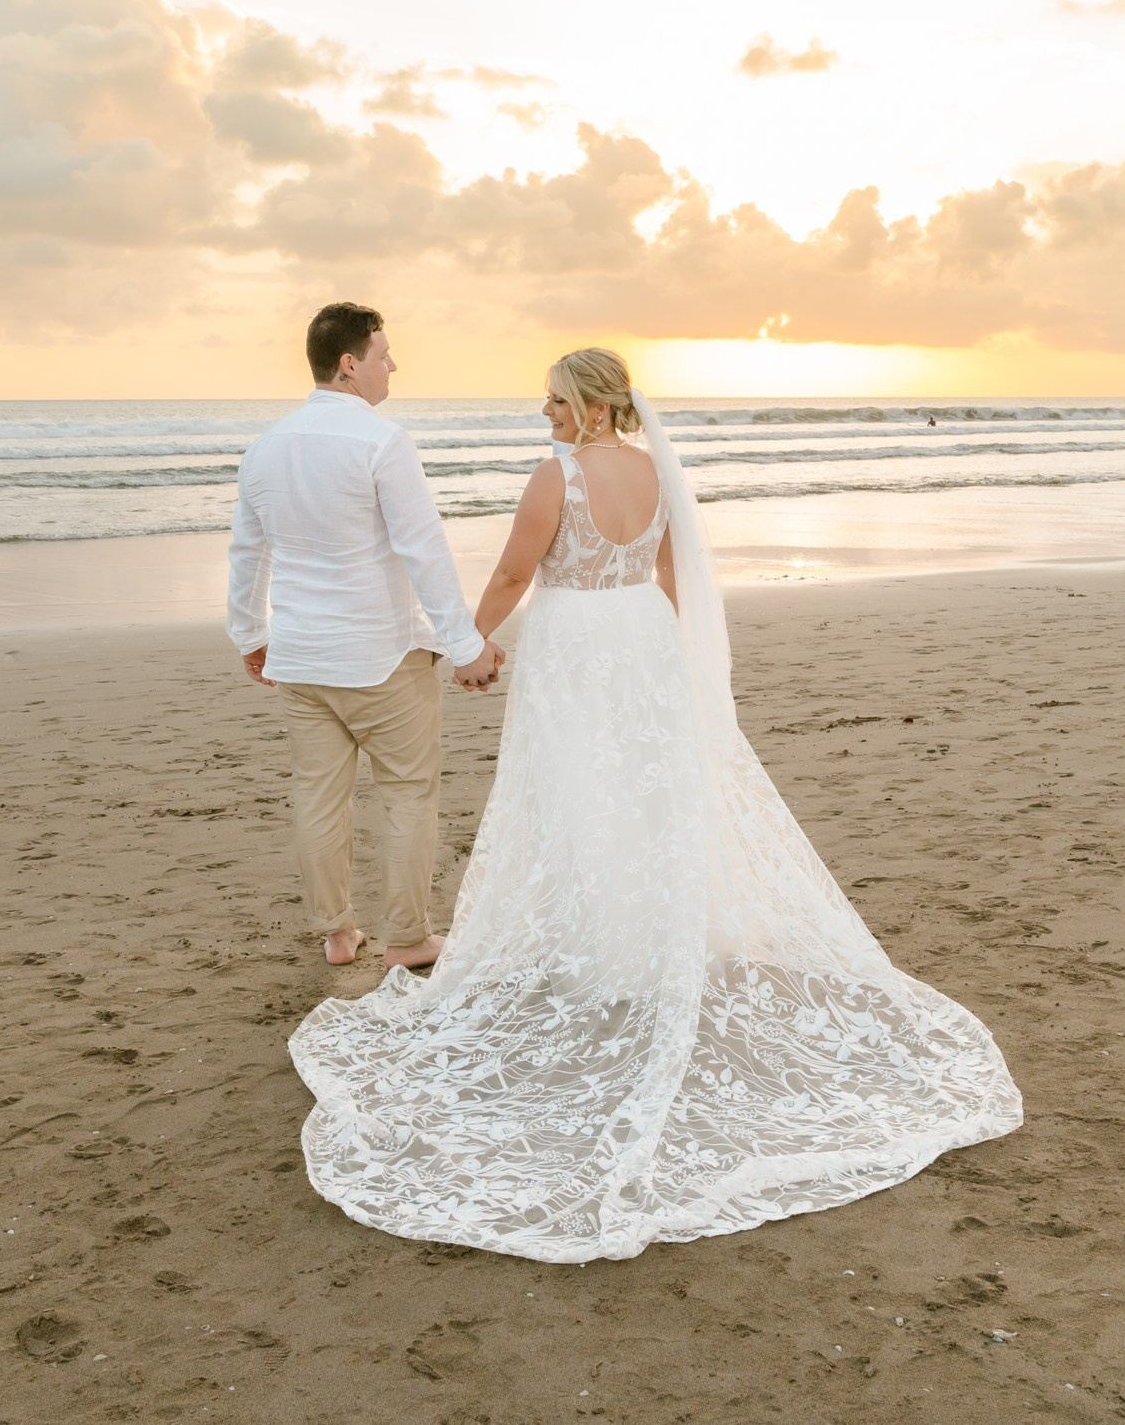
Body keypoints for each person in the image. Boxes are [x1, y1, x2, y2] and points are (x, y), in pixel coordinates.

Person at [287, 347, 1022, 1262]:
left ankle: (606, 956)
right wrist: (678, 662)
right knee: (640, 799)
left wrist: (468, 638)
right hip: (638, 639)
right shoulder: (653, 470)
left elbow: (519, 573)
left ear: (593, 406)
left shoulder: (554, 477)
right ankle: (632, 950)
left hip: (573, 646)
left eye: (555, 397)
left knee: (571, 796)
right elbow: (674, 576)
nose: (543, 409)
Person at [226, 303, 505, 972]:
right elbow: (423, 548)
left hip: (301, 657)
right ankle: (407, 936)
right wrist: (464, 644)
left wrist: (250, 632)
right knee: (408, 792)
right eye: (384, 354)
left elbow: (248, 551)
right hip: (382, 656)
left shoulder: (265, 447)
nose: (393, 366)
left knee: (319, 796)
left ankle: (338, 932)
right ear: (350, 364)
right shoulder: (381, 441)